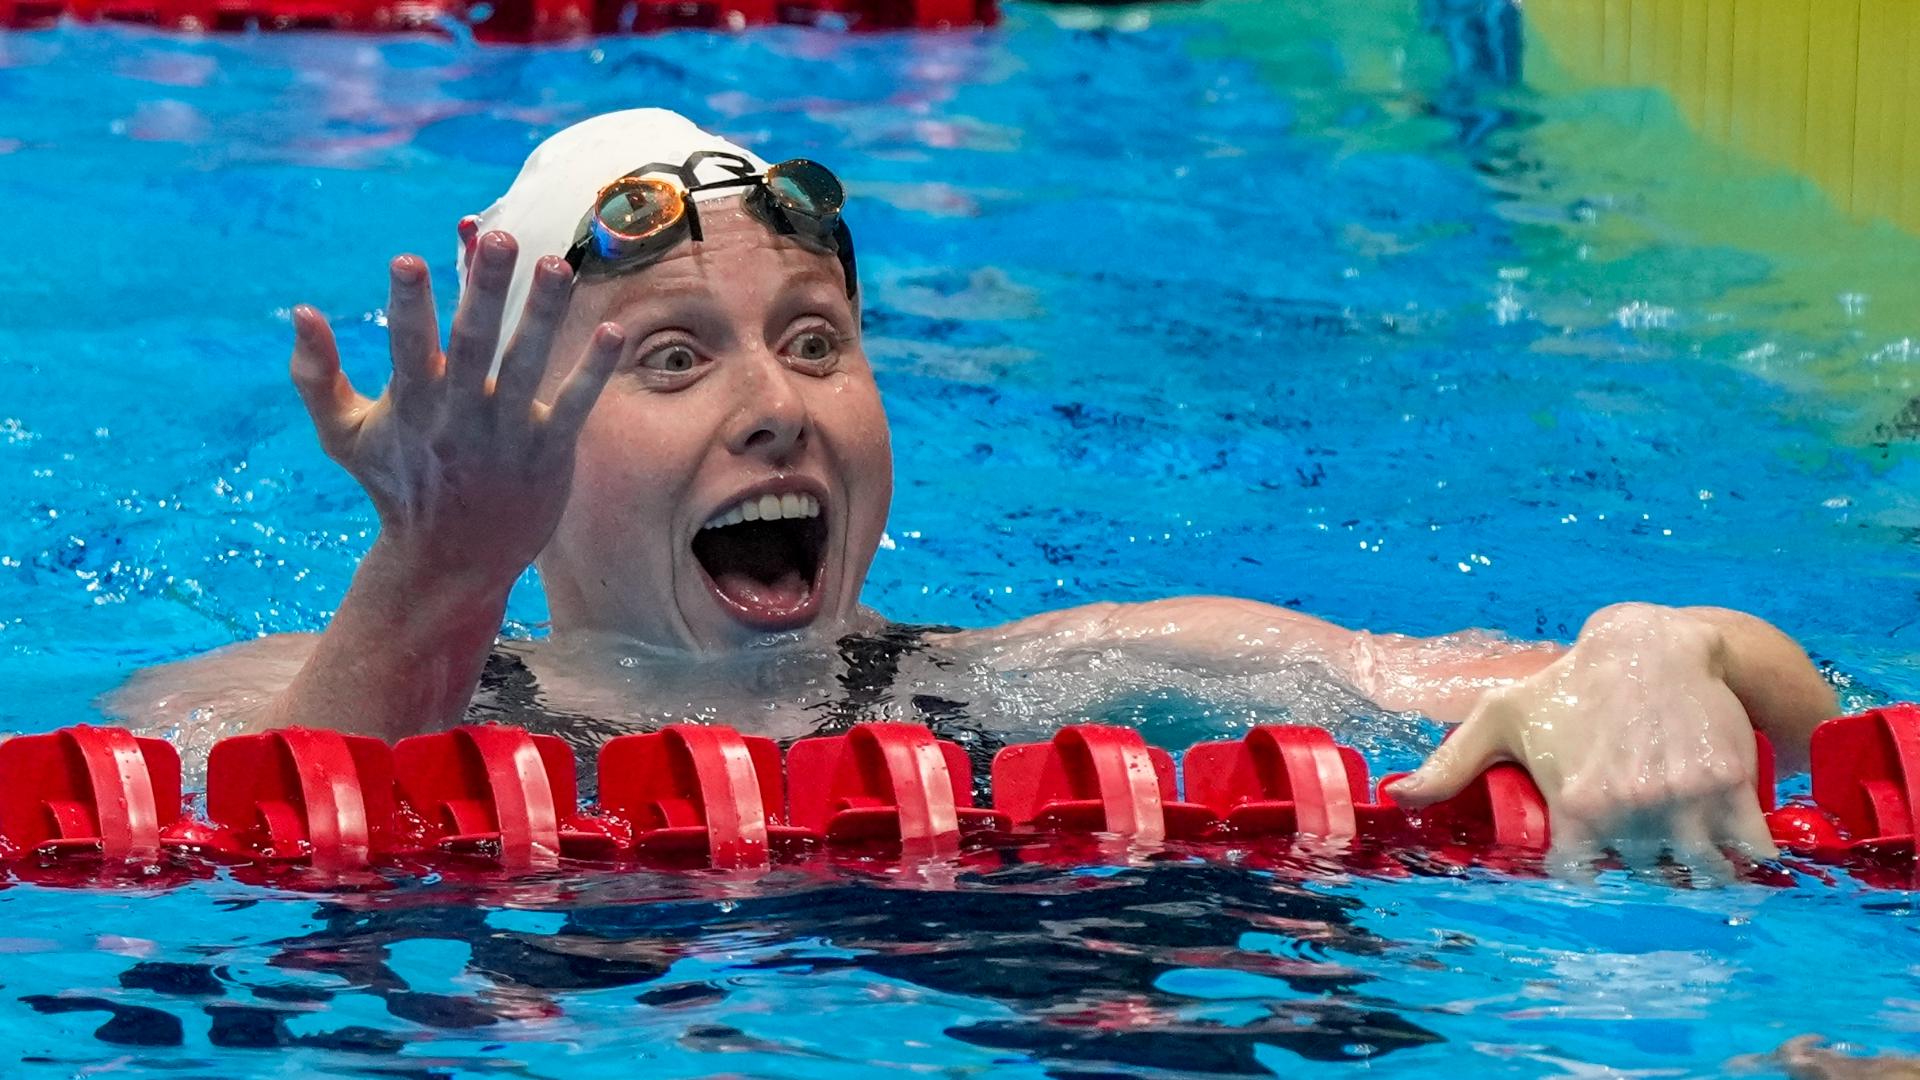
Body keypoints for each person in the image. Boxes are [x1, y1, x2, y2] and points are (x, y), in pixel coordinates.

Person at [110, 109, 1838, 871]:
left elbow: (1767, 710)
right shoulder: (240, 702)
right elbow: (275, 924)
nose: (778, 406)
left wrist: (1643, 646)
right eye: (673, 359)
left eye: (813, 339)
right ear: (524, 448)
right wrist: (433, 574)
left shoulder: (1041, 682)